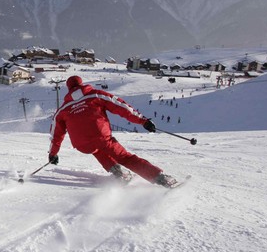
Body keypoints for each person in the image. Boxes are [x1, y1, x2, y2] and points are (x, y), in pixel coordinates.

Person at [48, 75, 177, 187]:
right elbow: (121, 107)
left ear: (69, 88)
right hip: (101, 137)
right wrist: (142, 121)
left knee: (95, 149)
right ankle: (160, 178)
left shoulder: (63, 109)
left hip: (82, 145)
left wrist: (53, 154)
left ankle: (119, 173)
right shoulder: (95, 95)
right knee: (124, 157)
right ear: (81, 83)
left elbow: (55, 134)